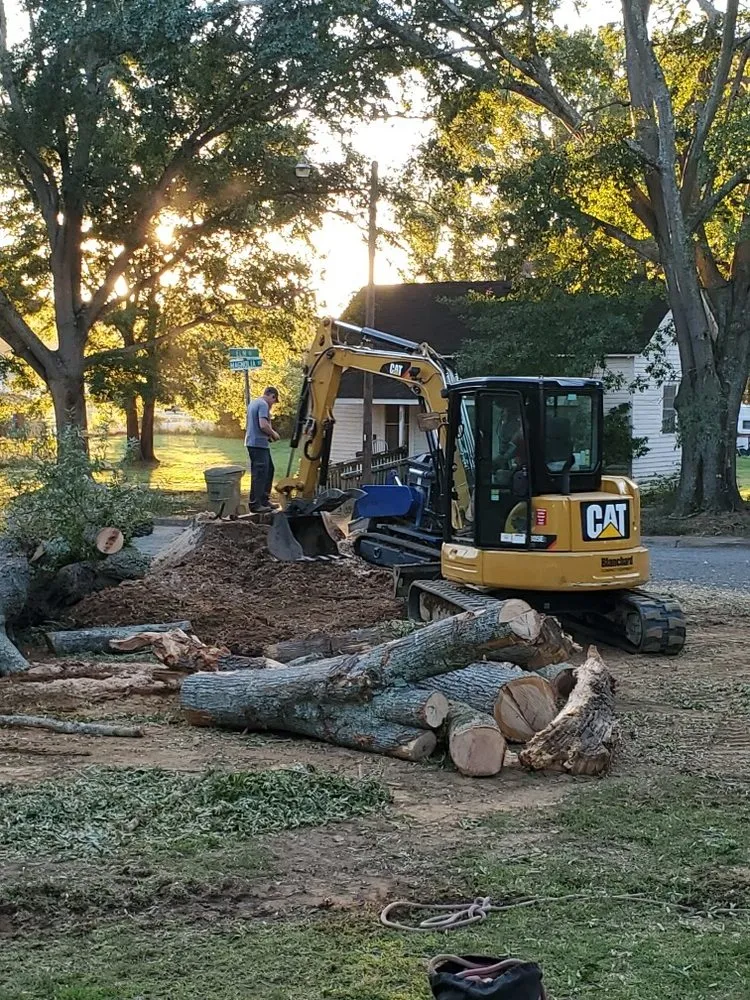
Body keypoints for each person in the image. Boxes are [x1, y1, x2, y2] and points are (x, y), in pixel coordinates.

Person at [245, 386, 280, 513]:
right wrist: (273, 434)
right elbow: (263, 425)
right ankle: (255, 505)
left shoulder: (254, 403)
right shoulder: (263, 404)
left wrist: (267, 437)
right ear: (272, 396)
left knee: (269, 470)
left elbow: (256, 426)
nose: (272, 405)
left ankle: (264, 500)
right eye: (274, 402)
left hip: (257, 443)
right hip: (257, 445)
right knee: (260, 474)